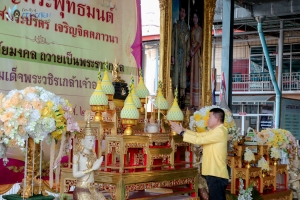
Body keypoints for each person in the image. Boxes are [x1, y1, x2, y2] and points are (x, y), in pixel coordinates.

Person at [170, 108, 229, 200]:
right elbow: (199, 135)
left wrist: (181, 133)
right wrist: (184, 130)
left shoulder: (220, 131)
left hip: (217, 173)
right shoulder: (214, 131)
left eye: (210, 117)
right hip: (213, 172)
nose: (207, 119)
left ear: (217, 119)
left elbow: (200, 140)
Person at [72, 117, 105, 200]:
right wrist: (92, 169)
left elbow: (96, 172)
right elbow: (75, 174)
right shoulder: (77, 155)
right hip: (82, 188)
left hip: (92, 188)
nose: (92, 143)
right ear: (82, 141)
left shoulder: (93, 154)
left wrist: (98, 165)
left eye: (93, 140)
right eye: (90, 140)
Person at [171, 6, 190, 99]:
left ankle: (181, 97)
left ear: (185, 14)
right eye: (181, 11)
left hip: (183, 54)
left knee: (182, 75)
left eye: (184, 12)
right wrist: (172, 55)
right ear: (179, 13)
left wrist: (187, 59)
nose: (182, 13)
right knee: (175, 74)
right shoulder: (176, 25)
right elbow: (173, 40)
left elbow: (187, 44)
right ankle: (174, 95)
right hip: (176, 53)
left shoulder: (186, 28)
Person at [190, 12, 202, 109]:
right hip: (192, 53)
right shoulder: (192, 29)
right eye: (193, 17)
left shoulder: (199, 29)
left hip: (196, 54)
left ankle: (197, 102)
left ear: (198, 18)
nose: (194, 19)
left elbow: (200, 43)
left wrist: (194, 51)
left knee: (196, 74)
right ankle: (192, 101)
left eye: (196, 17)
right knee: (192, 75)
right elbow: (190, 41)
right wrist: (190, 49)